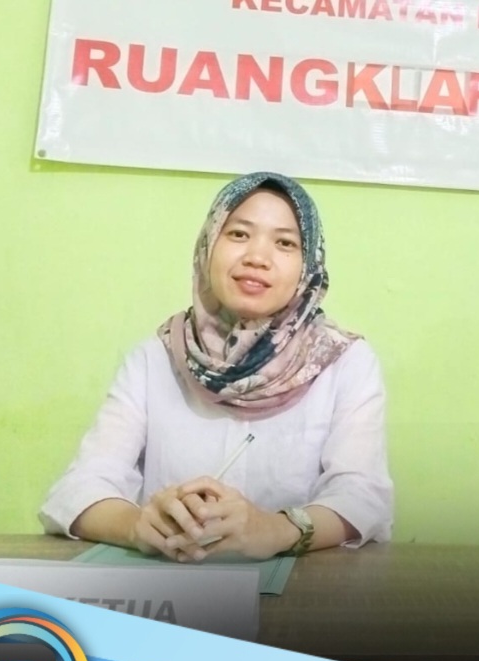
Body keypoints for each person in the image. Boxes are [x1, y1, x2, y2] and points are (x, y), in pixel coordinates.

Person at [40, 172, 393, 562]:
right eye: (239, 234)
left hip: (301, 591)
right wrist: (137, 525)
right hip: (171, 587)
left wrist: (276, 530)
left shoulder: (344, 362)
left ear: (308, 264)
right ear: (208, 245)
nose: (257, 257)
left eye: (285, 243)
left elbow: (362, 497)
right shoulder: (155, 358)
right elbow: (79, 488)